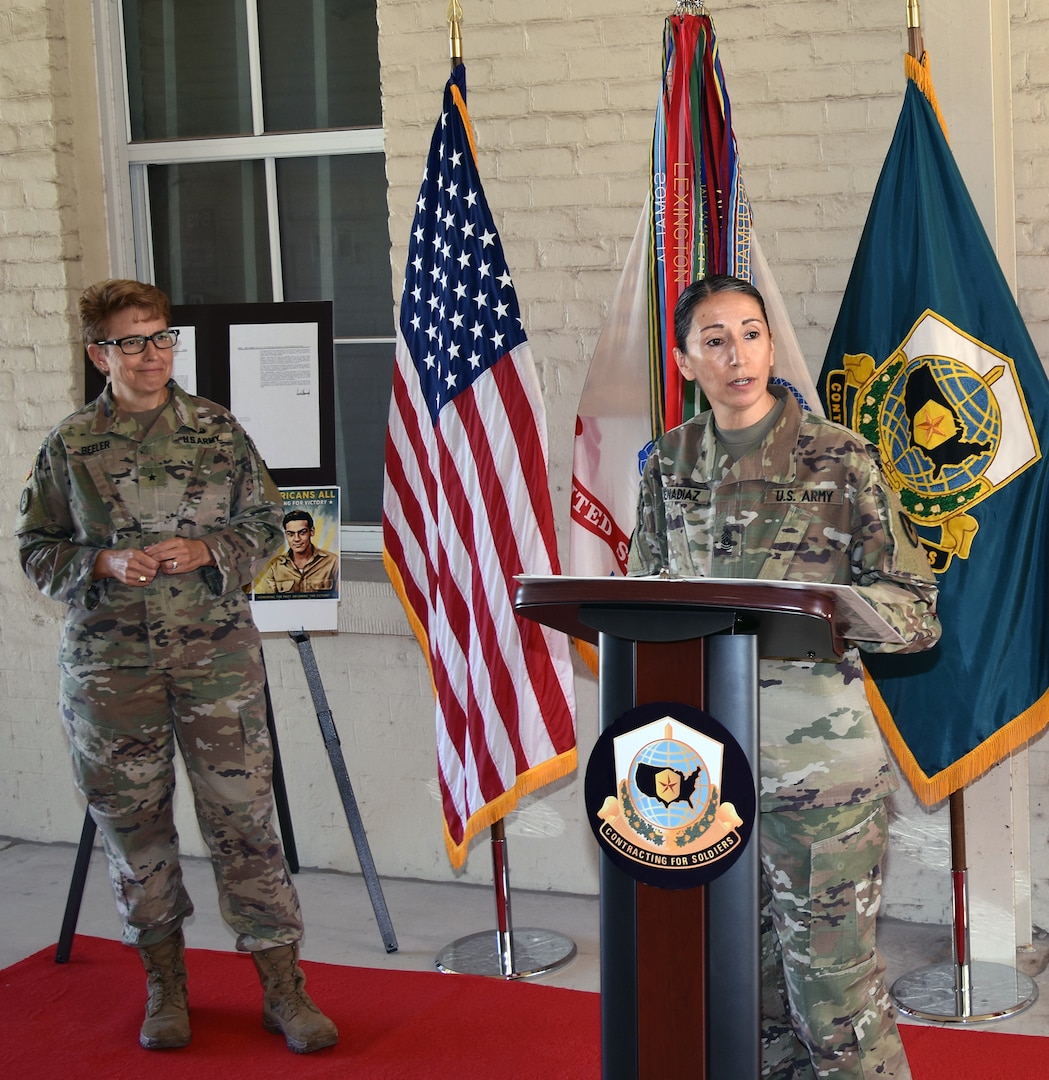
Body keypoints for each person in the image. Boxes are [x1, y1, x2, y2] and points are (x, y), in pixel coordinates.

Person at [628, 275, 941, 1080]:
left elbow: (915, 607)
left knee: (832, 997)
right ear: (684, 360)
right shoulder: (667, 464)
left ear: (771, 342)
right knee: (744, 992)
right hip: (701, 774)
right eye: (715, 339)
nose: (739, 354)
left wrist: (830, 608)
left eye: (751, 333)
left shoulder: (838, 458)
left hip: (819, 778)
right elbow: (643, 597)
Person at [15, 279, 338, 1055]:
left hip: (214, 664)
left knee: (244, 824)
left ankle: (282, 987)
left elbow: (270, 521)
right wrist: (101, 561)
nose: (154, 354)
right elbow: (35, 548)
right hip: (110, 669)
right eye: (133, 341)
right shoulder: (70, 445)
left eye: (162, 337)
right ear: (100, 353)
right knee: (136, 830)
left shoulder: (217, 431)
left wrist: (206, 549)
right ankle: (165, 984)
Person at [261, 510, 339, 595]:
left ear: (312, 531)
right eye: (291, 534)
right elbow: (270, 603)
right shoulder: (275, 566)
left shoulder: (333, 562)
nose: (297, 539)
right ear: (286, 535)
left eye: (302, 532)